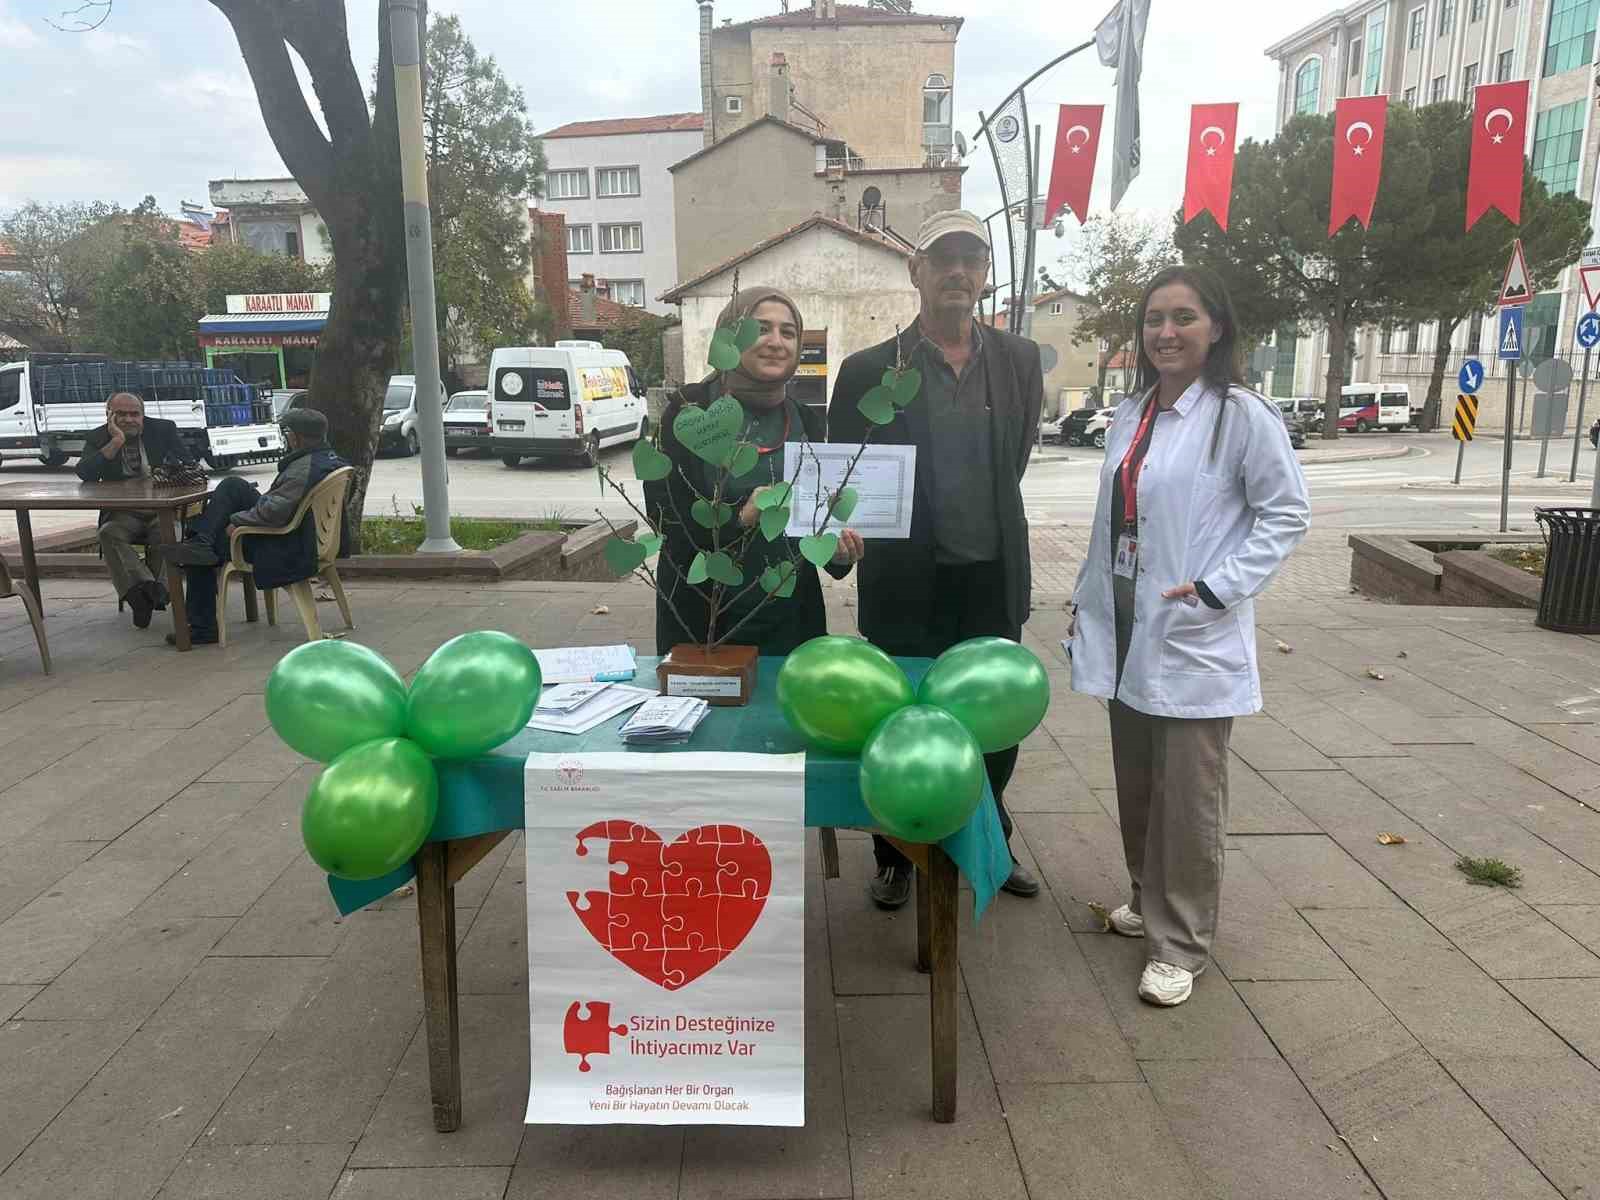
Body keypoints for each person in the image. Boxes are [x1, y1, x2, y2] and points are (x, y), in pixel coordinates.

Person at [1069, 264, 1309, 1008]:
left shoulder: (1240, 414)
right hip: (1128, 622)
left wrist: (1218, 588)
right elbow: (1119, 521)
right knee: (1138, 785)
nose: (1165, 333)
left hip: (1192, 628)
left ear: (1217, 327)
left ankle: (1182, 942)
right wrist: (1086, 603)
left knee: (1190, 799)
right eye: (1153, 320)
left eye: (1183, 318)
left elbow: (1286, 514)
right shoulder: (1134, 410)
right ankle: (1147, 898)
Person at [830, 210, 1044, 909]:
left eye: (971, 259)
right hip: (907, 588)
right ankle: (895, 850)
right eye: (943, 257)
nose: (959, 271)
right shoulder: (866, 371)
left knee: (996, 722)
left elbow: (1012, 461)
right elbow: (843, 488)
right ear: (914, 271)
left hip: (991, 577)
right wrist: (839, 542)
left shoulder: (1017, 361)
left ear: (985, 274)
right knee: (900, 718)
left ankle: (988, 835)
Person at [644, 287, 863, 655]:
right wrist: (741, 517)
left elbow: (814, 520)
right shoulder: (690, 410)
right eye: (761, 329)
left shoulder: (805, 417)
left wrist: (838, 554)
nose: (776, 342)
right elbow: (665, 516)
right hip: (704, 617)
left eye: (788, 332)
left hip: (790, 616)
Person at [164, 408, 349, 645]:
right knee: (233, 486)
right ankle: (202, 538)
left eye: (286, 432)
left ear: (295, 436)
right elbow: (282, 505)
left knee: (199, 555)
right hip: (303, 534)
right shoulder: (327, 458)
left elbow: (275, 513)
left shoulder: (304, 468)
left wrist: (237, 520)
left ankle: (202, 627)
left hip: (288, 543)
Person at [76, 392, 196, 629]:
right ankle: (148, 593)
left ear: (143, 414)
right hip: (123, 513)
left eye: (134, 414)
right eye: (121, 414)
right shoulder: (99, 437)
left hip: (161, 510)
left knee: (167, 533)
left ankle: (143, 595)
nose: (129, 419)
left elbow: (190, 464)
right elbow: (84, 473)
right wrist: (116, 442)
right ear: (109, 414)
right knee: (108, 533)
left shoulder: (163, 430)